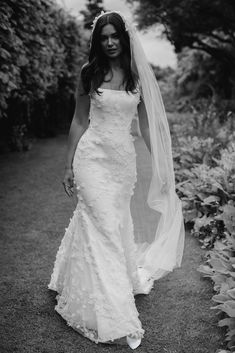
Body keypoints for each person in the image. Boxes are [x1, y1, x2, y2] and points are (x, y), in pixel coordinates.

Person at [48, 10, 185, 350]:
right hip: (91, 160)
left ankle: (71, 276)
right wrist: (68, 165)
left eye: (114, 36)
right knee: (104, 225)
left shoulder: (136, 77)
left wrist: (163, 166)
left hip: (122, 164)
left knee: (111, 224)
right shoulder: (89, 73)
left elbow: (147, 127)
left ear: (124, 38)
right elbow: (79, 121)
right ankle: (112, 310)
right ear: (98, 41)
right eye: (103, 37)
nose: (109, 42)